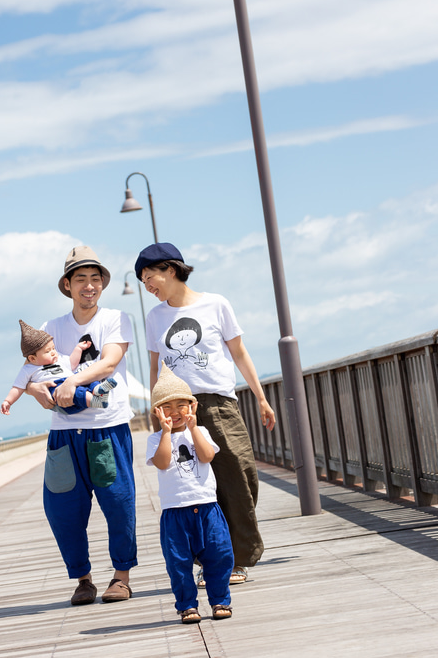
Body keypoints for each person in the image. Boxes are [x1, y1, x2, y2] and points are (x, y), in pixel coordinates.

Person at [135, 241, 276, 587]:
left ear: (170, 269)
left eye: (149, 276)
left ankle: (238, 552)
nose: (147, 286)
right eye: (141, 281)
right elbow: (155, 368)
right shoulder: (155, 318)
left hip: (219, 403)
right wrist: (158, 415)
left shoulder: (216, 304)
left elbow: (239, 353)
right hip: (177, 408)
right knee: (194, 487)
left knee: (240, 477)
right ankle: (221, 560)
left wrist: (260, 398)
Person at [26, 245, 137, 606]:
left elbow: (109, 362)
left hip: (106, 427)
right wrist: (36, 391)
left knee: (119, 503)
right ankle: (83, 580)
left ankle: (121, 577)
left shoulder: (116, 319)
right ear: (68, 286)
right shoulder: (51, 328)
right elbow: (33, 373)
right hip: (63, 435)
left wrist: (73, 381)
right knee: (62, 510)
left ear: (102, 284)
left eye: (94, 279)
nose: (88, 286)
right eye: (80, 280)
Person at [147, 362, 233, 624]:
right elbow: (162, 462)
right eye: (167, 408)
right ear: (157, 412)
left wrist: (194, 428)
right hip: (175, 511)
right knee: (178, 562)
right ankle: (187, 605)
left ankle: (220, 600)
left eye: (180, 406)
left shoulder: (202, 432)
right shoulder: (155, 439)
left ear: (191, 406)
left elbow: (207, 456)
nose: (174, 413)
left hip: (207, 507)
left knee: (220, 554)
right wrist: (164, 431)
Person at [1, 320, 117, 416]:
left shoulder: (59, 359)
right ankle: (97, 401)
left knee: (84, 375)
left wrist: (78, 349)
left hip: (71, 381)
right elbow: (18, 387)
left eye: (53, 348)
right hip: (57, 393)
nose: (53, 353)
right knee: (77, 391)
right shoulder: (28, 369)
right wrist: (8, 401)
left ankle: (98, 389)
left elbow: (72, 363)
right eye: (47, 351)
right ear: (32, 358)